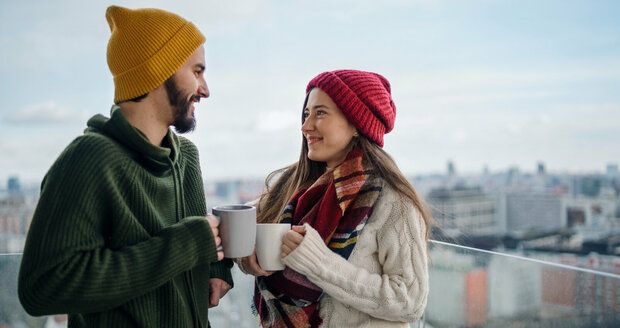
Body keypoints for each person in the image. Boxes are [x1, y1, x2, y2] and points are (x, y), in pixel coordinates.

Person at [18, 5, 233, 327]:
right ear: (159, 71)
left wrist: (215, 267)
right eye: (197, 71)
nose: (205, 89)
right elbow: (43, 287)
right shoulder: (89, 159)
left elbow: (196, 239)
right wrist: (185, 244)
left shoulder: (185, 156)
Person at [237, 70, 431, 327]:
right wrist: (247, 256)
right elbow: (246, 220)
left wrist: (318, 262)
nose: (306, 126)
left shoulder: (394, 202)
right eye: (306, 114)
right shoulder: (294, 186)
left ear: (355, 124)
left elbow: (409, 301)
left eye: (320, 113)